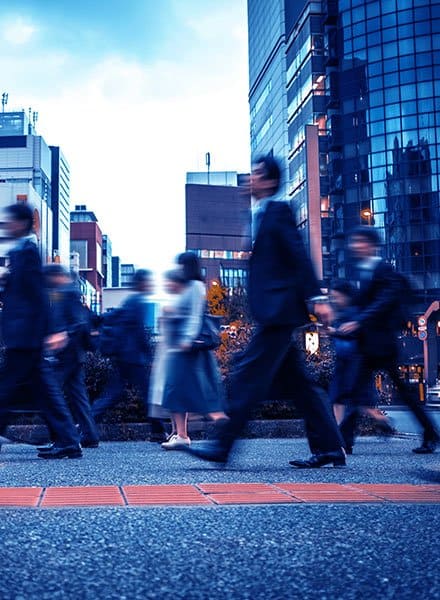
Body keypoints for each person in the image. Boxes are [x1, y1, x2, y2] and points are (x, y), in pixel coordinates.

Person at [185, 155, 345, 467]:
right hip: (274, 312)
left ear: (270, 181)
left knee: (248, 378)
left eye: (257, 174)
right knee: (301, 386)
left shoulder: (278, 211)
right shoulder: (257, 215)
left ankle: (222, 447)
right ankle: (330, 448)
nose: (250, 178)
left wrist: (316, 295)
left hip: (280, 312)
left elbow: (298, 255)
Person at [338, 226, 439, 454]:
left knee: (403, 394)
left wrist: (359, 321)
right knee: (355, 392)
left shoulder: (383, 270)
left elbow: (384, 301)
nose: (355, 246)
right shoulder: (364, 271)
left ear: (372, 245)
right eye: (354, 242)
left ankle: (430, 434)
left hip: (383, 345)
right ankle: (344, 441)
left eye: (360, 241)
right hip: (369, 344)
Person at [0, 203, 82, 459]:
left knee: (7, 388)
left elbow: (37, 294)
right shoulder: (23, 251)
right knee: (43, 390)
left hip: (26, 334)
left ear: (21, 223)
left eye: (9, 221)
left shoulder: (27, 251)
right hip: (26, 334)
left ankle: (68, 440)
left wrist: (53, 330)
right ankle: (68, 440)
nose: (6, 226)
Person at [158, 255, 227, 450]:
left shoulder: (195, 287)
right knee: (177, 390)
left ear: (186, 266)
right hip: (180, 346)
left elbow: (195, 316)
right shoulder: (190, 287)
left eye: (179, 265)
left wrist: (187, 340)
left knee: (181, 388)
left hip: (186, 347)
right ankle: (182, 434)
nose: (177, 268)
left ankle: (191, 431)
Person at [91, 269, 165, 440]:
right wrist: (149, 355)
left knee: (114, 393)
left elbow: (110, 318)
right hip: (133, 357)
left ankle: (86, 424)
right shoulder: (137, 302)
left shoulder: (130, 301)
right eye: (149, 281)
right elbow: (139, 332)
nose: (151, 284)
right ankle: (158, 431)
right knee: (147, 394)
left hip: (124, 356)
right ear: (142, 283)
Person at [328, 279, 393, 452]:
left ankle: (381, 422)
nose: (334, 301)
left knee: (357, 403)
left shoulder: (355, 312)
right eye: (332, 298)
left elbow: (354, 334)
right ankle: (340, 438)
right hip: (342, 363)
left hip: (355, 363)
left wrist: (335, 331)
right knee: (338, 400)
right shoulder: (339, 313)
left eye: (337, 297)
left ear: (347, 296)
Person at [41, 264, 99, 449]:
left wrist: (63, 335)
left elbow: (79, 322)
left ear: (57, 275)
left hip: (66, 353)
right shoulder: (67, 291)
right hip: (74, 353)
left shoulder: (68, 292)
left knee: (51, 394)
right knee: (77, 396)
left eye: (49, 278)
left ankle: (62, 437)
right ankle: (89, 435)